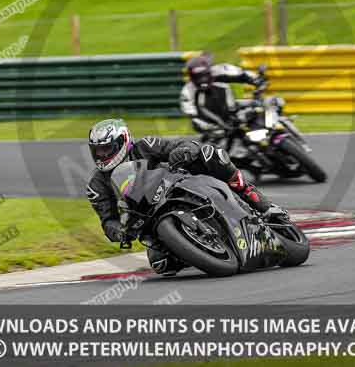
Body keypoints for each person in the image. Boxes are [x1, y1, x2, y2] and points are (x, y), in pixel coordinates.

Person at [84, 118, 286, 275]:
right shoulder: (96, 185)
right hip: (146, 218)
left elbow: (181, 144)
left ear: (123, 141)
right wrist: (119, 232)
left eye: (106, 149)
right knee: (162, 266)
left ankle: (260, 203)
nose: (102, 155)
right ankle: (203, 247)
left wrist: (184, 151)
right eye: (97, 151)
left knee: (210, 155)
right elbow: (107, 220)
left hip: (175, 185)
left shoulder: (145, 146)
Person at [180, 53, 266, 142]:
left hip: (231, 110)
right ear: (191, 77)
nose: (203, 79)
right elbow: (192, 116)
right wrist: (210, 127)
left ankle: (262, 137)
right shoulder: (187, 91)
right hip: (212, 123)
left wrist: (256, 79)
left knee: (259, 104)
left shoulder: (220, 70)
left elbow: (241, 73)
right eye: (198, 77)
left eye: (205, 75)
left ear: (210, 70)